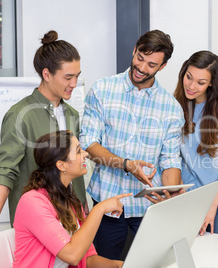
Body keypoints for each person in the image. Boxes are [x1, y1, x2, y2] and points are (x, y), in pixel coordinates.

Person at [79, 29, 184, 259]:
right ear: (134, 50)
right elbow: (88, 142)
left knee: (155, 264)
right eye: (140, 58)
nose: (142, 68)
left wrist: (171, 193)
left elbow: (170, 159)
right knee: (104, 264)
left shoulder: (171, 107)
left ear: (162, 67)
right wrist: (126, 165)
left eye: (152, 65)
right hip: (107, 202)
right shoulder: (102, 90)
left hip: (150, 208)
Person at [0, 30, 86, 245]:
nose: (74, 83)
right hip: (39, 222)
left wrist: (83, 208)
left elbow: (73, 167)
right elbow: (5, 171)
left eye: (77, 76)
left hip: (72, 216)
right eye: (68, 77)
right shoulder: (19, 115)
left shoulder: (72, 114)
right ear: (46, 74)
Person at [13, 131, 130, 267]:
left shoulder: (71, 202)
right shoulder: (32, 202)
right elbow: (72, 255)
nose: (86, 154)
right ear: (62, 165)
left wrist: (121, 265)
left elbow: (88, 259)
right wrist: (99, 209)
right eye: (79, 151)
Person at [172, 51, 218, 236]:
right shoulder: (175, 104)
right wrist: (183, 194)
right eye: (189, 77)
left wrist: (213, 204)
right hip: (188, 195)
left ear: (211, 83)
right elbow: (173, 156)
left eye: (201, 83)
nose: (192, 86)